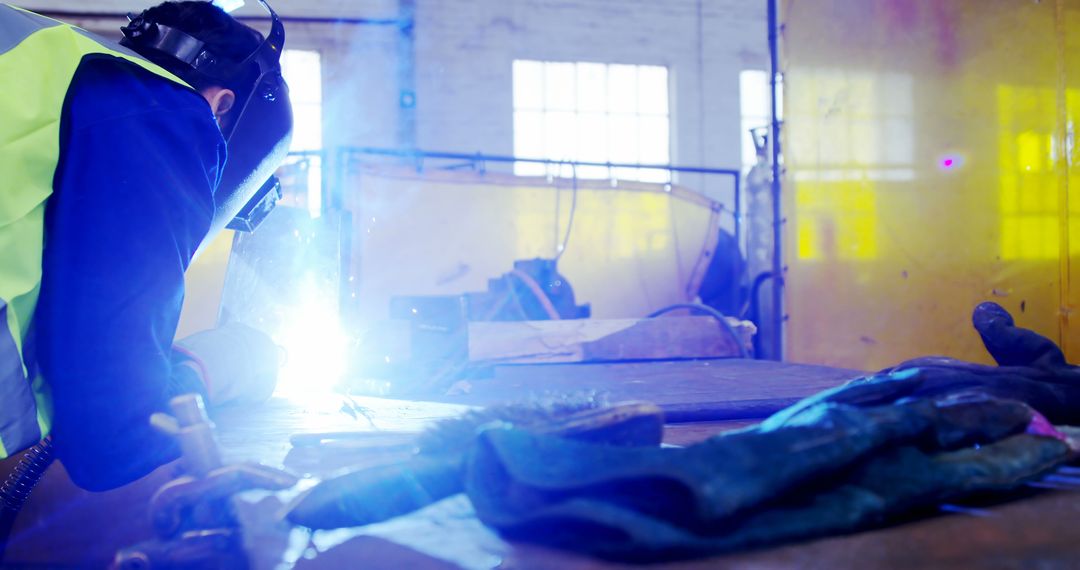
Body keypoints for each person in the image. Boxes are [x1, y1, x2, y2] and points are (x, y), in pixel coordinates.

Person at [0, 0, 292, 502]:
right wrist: (201, 373)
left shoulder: (44, 60)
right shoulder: (163, 110)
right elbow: (114, 435)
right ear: (221, 105)